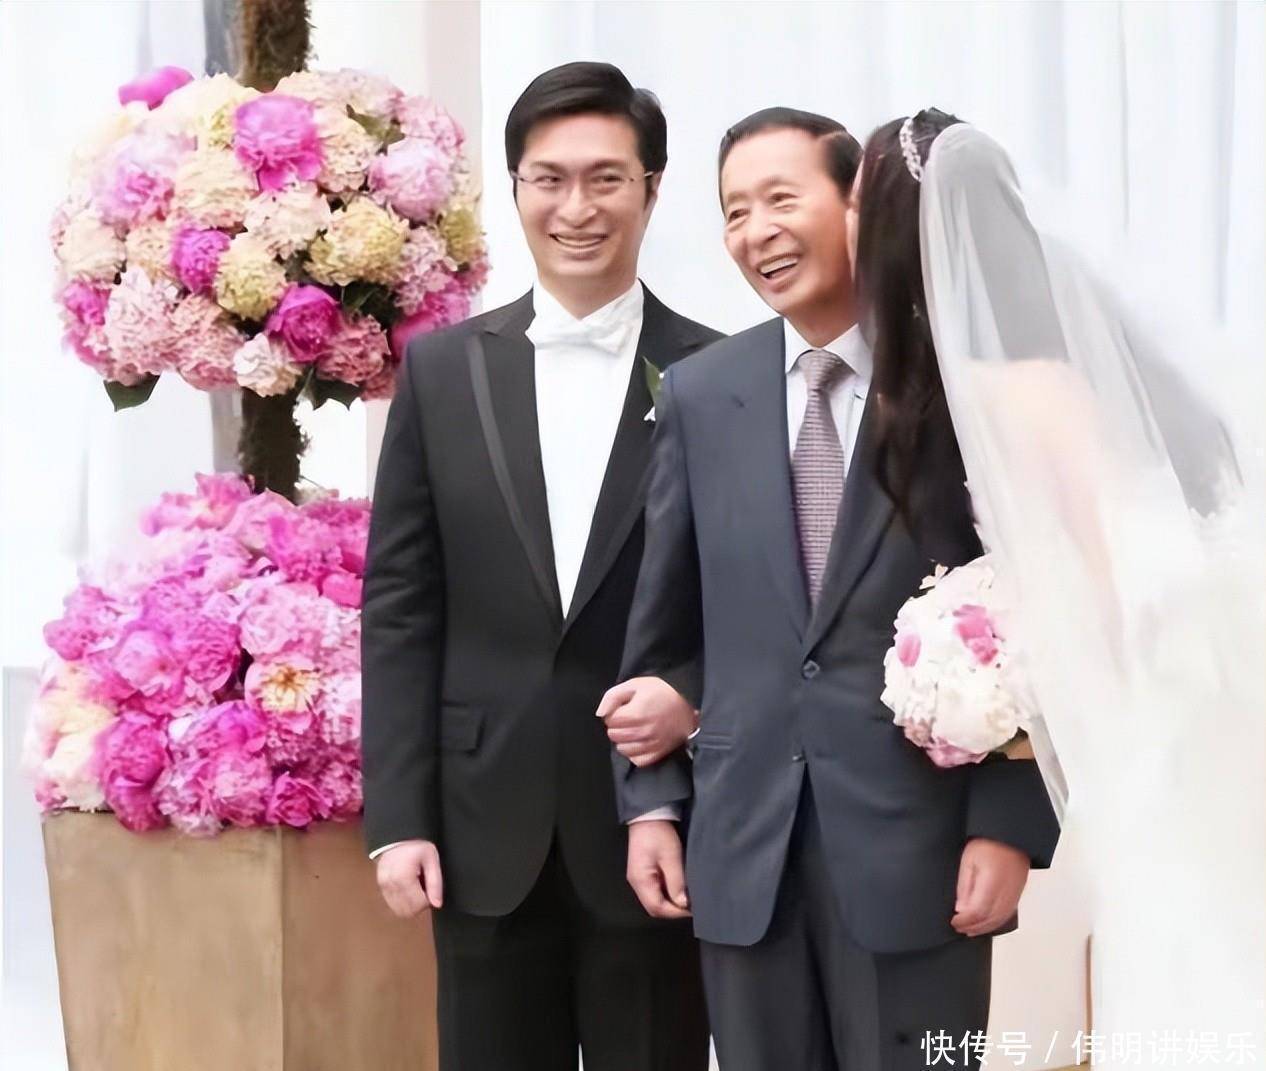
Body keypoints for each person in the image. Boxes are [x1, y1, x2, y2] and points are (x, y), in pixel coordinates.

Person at [598, 107, 1060, 1070]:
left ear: (857, 206)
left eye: (780, 198)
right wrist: (650, 803)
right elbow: (664, 635)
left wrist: (1010, 825)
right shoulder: (697, 394)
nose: (755, 231)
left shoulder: (954, 386)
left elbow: (1035, 617)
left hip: (921, 859)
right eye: (734, 212)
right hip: (743, 854)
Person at [361, 61, 716, 1071]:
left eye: (607, 178)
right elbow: (400, 603)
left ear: (652, 189)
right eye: (549, 179)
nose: (577, 207)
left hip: (656, 826)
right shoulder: (441, 370)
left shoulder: (720, 373)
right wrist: (399, 819)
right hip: (477, 828)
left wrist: (691, 696)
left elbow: (757, 600)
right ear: (515, 188)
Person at [896, 109, 1264, 1061]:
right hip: (1193, 702)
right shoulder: (1095, 358)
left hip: (1154, 720)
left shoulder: (1017, 386)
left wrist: (997, 670)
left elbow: (1115, 582)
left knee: (1181, 953)